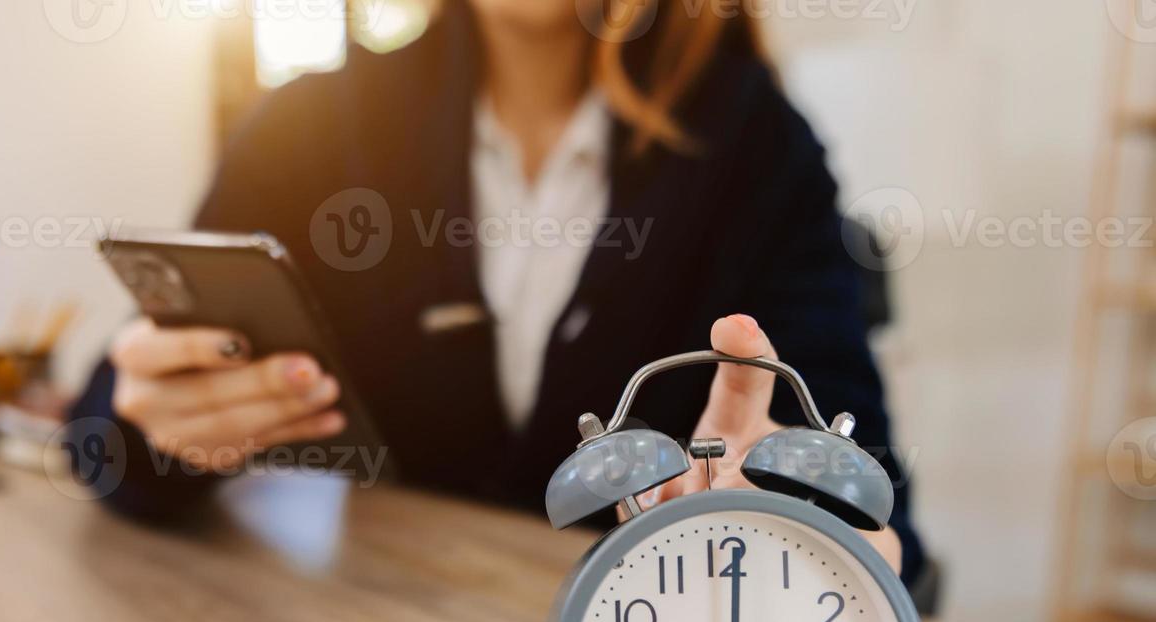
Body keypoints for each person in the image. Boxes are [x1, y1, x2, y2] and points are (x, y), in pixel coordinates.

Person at [71, 0, 923, 582]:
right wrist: (161, 428)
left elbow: (872, 501)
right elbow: (103, 432)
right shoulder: (314, 127)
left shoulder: (759, 149)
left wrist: (824, 532)